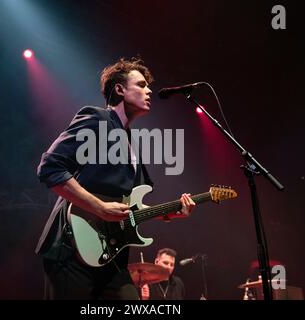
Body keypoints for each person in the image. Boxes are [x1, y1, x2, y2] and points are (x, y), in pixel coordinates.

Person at [36, 57, 196, 300]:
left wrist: (169, 212)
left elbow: (129, 206)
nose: (149, 90)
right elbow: (50, 167)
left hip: (112, 256)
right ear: (120, 89)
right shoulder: (97, 119)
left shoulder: (131, 142)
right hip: (72, 248)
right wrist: (99, 207)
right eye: (141, 85)